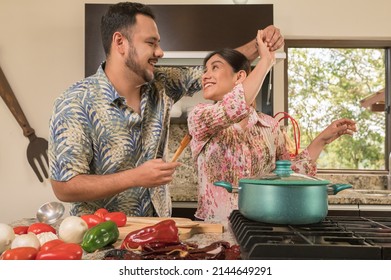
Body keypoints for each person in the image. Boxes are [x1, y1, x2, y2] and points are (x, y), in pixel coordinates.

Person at [48, 2, 285, 217]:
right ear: (120, 42)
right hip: (102, 239)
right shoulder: (75, 103)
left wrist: (259, 45)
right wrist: (135, 177)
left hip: (158, 233)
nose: (160, 52)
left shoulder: (162, 83)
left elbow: (218, 72)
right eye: (151, 43)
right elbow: (64, 186)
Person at [187, 30, 357, 222]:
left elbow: (286, 177)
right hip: (215, 228)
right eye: (205, 70)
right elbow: (233, 107)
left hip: (260, 226)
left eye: (214, 67)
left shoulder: (270, 126)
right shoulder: (199, 117)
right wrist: (266, 61)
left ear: (239, 76)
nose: (205, 76)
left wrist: (321, 140)